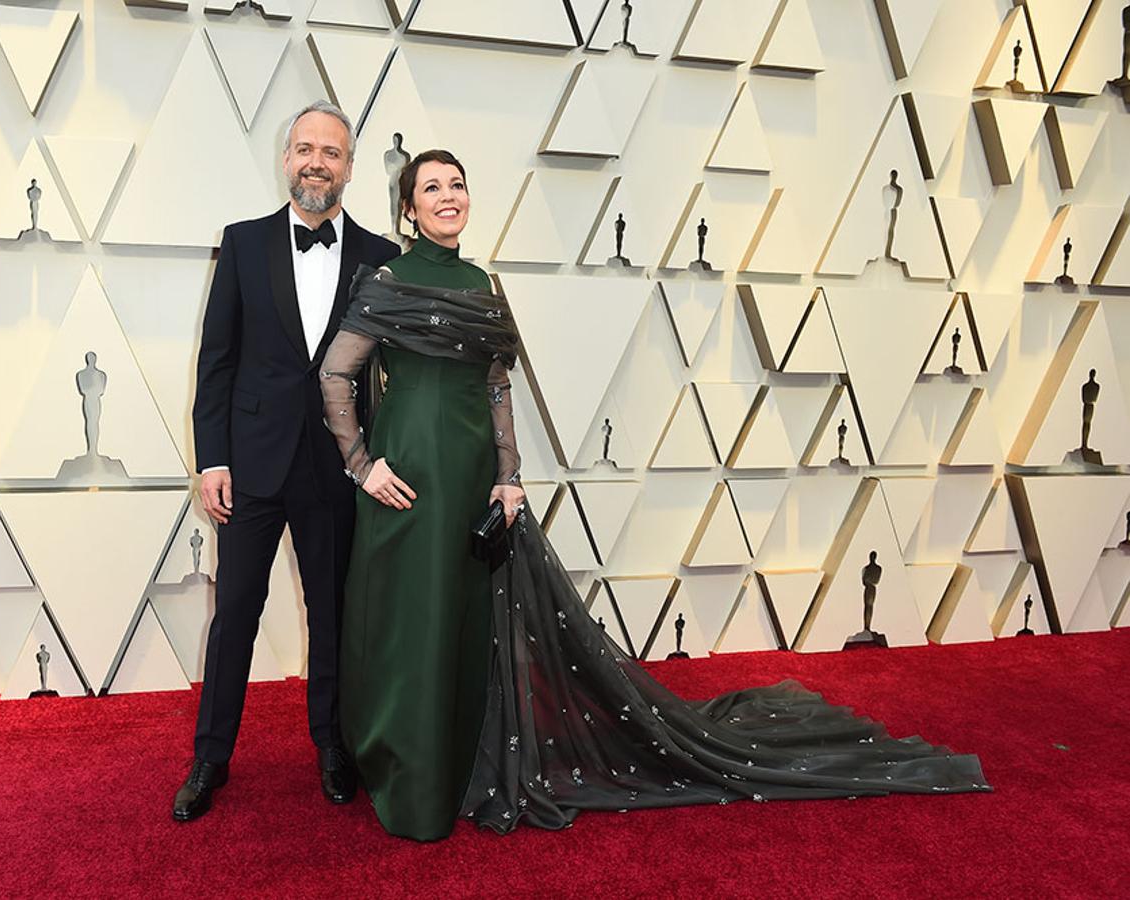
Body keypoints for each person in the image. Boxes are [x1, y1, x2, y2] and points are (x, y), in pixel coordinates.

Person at [320, 149, 990, 842]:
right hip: (405, 484)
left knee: (461, 626)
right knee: (410, 627)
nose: (448, 196)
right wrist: (360, 464)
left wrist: (508, 475)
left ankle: (457, 768)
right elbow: (336, 374)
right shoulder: (391, 280)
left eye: (457, 184)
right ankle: (406, 773)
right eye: (431, 188)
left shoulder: (483, 283)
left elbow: (496, 386)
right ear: (408, 208)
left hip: (468, 480)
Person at [173, 101, 401, 823]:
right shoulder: (241, 244)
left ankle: (331, 745)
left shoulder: (380, 256)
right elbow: (217, 362)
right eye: (304, 149)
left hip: (337, 467)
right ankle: (211, 757)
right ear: (285, 158)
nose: (315, 162)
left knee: (330, 613)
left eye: (330, 153)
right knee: (235, 611)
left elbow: (393, 374)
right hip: (250, 466)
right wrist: (212, 460)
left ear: (349, 168)